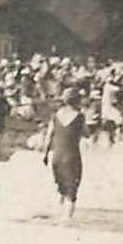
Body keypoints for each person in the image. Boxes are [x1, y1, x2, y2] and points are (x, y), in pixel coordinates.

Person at [42, 87, 86, 220]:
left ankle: (58, 214)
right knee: (71, 190)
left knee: (60, 186)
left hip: (56, 156)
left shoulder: (56, 116)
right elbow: (87, 133)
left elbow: (49, 136)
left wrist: (44, 154)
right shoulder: (79, 117)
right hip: (72, 156)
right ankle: (67, 219)